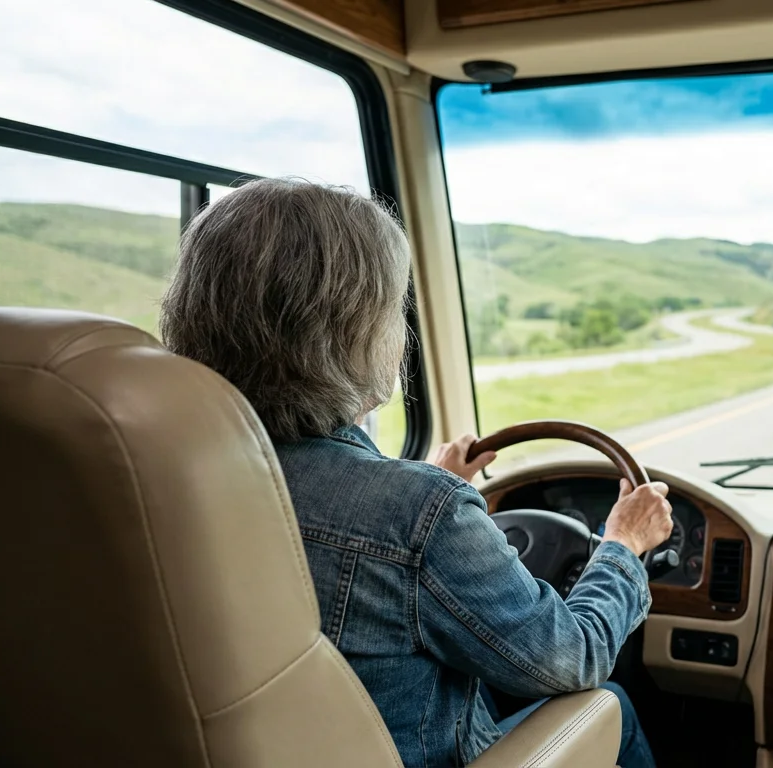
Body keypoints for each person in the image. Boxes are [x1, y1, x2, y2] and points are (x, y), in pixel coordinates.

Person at [158, 178, 670, 768]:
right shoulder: (422, 515)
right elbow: (570, 657)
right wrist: (624, 546)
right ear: (357, 330)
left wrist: (421, 485)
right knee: (613, 704)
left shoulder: (162, 480)